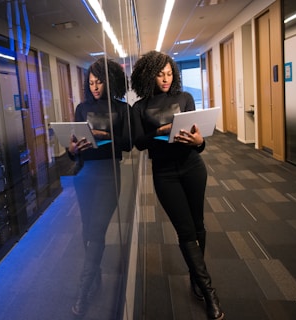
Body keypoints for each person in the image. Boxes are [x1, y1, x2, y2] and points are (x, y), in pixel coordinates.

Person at [130, 50, 224, 320]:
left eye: (170, 74)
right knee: (185, 231)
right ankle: (209, 292)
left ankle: (196, 277)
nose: (166, 79)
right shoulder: (140, 107)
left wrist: (200, 142)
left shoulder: (185, 98)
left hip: (193, 167)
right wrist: (159, 131)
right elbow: (139, 142)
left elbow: (199, 138)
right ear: (149, 75)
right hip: (165, 174)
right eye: (160, 74)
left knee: (198, 225)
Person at [66, 57, 131, 317]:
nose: (94, 87)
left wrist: (105, 136)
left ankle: (83, 290)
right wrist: (72, 150)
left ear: (110, 80)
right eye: (91, 82)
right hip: (85, 175)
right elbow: (75, 151)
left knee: (96, 229)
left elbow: (127, 144)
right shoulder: (82, 108)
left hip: (109, 175)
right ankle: (95, 277)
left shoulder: (122, 108)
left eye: (99, 81)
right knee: (88, 231)